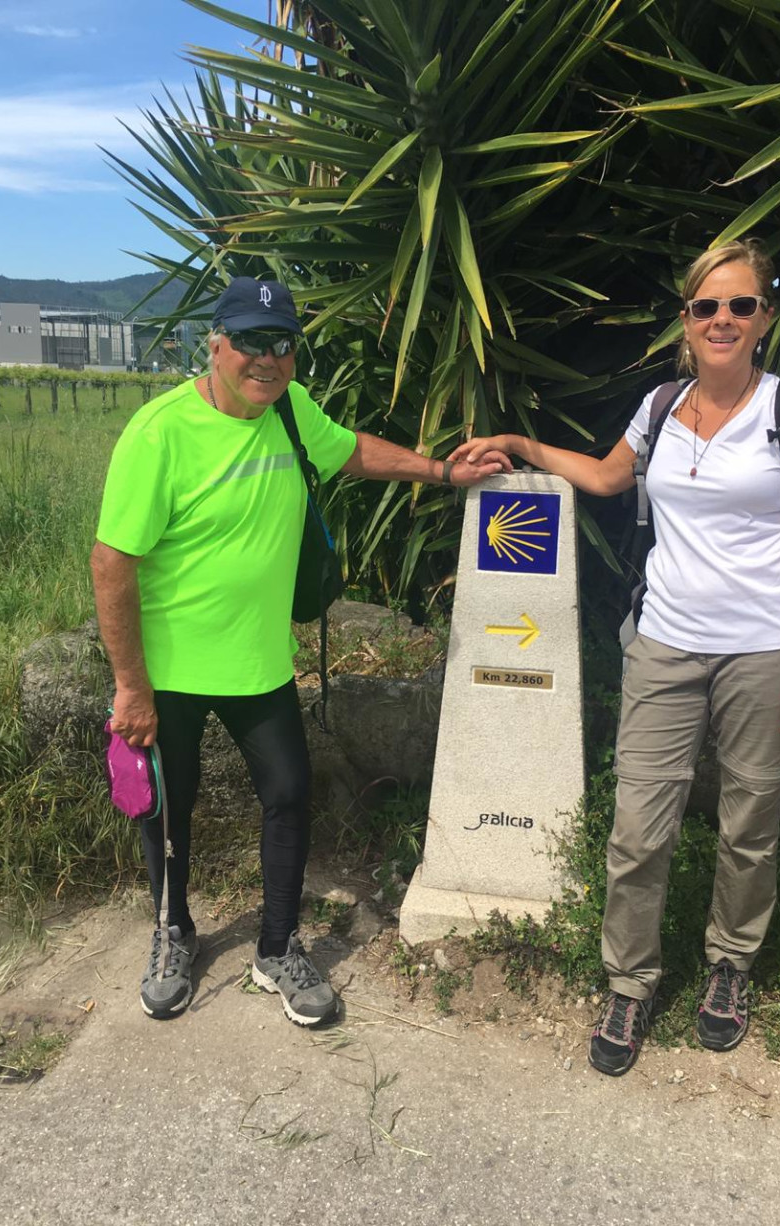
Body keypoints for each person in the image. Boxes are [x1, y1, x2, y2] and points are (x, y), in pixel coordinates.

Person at [450, 239, 780, 1076]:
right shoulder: (661, 405)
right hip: (666, 644)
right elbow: (604, 478)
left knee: (749, 824)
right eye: (706, 306)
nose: (722, 321)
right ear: (685, 320)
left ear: (764, 319)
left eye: (740, 306)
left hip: (768, 650)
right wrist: (522, 446)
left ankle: (728, 969)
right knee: (639, 827)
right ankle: (629, 982)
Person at [91, 277, 510, 1025]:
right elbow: (111, 562)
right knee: (166, 809)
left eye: (282, 343)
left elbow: (351, 453)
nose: (268, 357)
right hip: (169, 675)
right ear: (215, 344)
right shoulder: (159, 433)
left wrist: (443, 471)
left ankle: (277, 947)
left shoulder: (289, 410)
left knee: (288, 794)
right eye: (250, 340)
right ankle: (172, 932)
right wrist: (131, 685)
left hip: (257, 666)